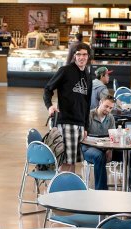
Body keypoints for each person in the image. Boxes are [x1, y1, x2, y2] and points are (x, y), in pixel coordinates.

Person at [43, 42, 91, 173]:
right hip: (65, 122)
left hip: (80, 125)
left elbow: (87, 103)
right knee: (65, 162)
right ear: (74, 56)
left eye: (85, 54)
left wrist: (86, 126)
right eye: (79, 54)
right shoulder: (65, 71)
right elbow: (48, 89)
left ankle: (70, 190)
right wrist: (50, 106)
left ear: (88, 57)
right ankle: (58, 189)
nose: (82, 57)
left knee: (73, 162)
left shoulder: (88, 75)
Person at [81, 94, 116, 190]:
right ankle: (101, 191)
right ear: (100, 102)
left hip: (106, 147)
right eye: (106, 106)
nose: (108, 110)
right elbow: (83, 137)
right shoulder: (89, 115)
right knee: (99, 156)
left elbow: (113, 136)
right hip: (88, 148)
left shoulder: (111, 118)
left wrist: (110, 149)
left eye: (111, 108)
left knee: (127, 155)